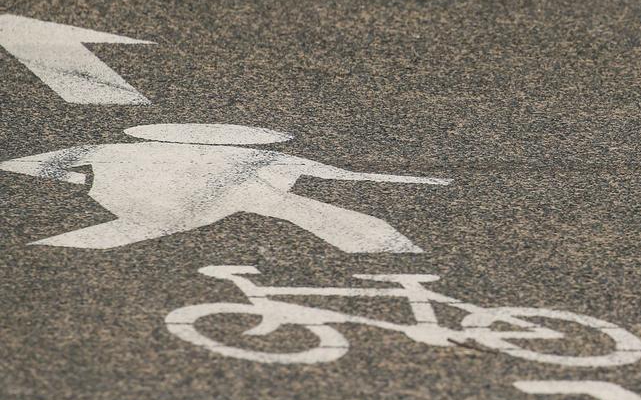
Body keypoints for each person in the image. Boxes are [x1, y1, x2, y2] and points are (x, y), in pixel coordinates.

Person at [0, 123, 450, 252]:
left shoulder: (105, 149)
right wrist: (420, 180)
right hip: (206, 200)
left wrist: (85, 179)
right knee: (327, 215)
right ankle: (387, 254)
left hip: (126, 197)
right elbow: (346, 176)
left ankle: (385, 253)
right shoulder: (267, 157)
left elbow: (29, 165)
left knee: (143, 224)